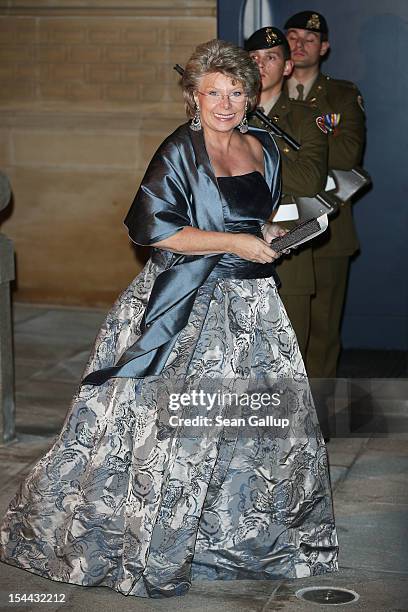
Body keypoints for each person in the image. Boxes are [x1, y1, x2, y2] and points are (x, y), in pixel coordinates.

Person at [0, 39, 338, 599]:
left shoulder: (262, 150)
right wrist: (234, 240)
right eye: (213, 93)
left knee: (255, 435)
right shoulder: (180, 151)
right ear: (194, 98)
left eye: (236, 92)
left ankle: (237, 539)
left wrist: (270, 235)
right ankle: (151, 544)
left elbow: (255, 220)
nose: (225, 103)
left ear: (251, 97)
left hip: (253, 310)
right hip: (185, 309)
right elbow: (155, 229)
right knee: (175, 437)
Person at [284, 11, 366, 385]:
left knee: (322, 332)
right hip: (281, 225)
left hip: (330, 225)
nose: (299, 45)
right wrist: (314, 148)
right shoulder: (264, 94)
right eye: (293, 37)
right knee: (281, 330)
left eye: (310, 39)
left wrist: (299, 150)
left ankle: (319, 414)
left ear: (325, 47)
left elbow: (348, 154)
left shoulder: (341, 95)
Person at [244, 26, 328, 358]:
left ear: (287, 67)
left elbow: (309, 181)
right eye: (253, 58)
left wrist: (252, 157)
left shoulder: (306, 118)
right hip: (231, 250)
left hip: (286, 246)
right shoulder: (225, 115)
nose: (260, 66)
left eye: (271, 57)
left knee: (289, 363)